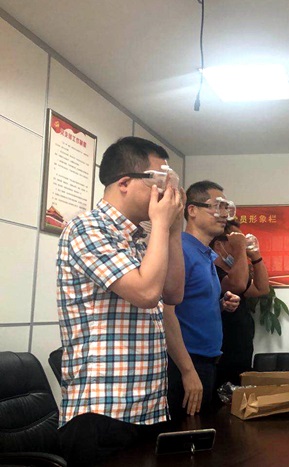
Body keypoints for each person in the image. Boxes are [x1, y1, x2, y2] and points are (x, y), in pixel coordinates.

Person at [56, 136, 185, 466]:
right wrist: (161, 224)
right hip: (102, 411)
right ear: (125, 183)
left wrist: (172, 230)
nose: (166, 192)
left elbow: (173, 293)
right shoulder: (86, 228)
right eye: (159, 181)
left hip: (149, 406)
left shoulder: (142, 239)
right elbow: (146, 293)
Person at [163, 181, 241, 419]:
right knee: (186, 434)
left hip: (207, 362)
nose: (224, 214)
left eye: (226, 207)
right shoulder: (181, 250)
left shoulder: (206, 254)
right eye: (217, 206)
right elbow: (165, 312)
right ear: (192, 210)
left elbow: (189, 304)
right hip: (186, 363)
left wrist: (221, 305)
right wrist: (187, 371)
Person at [211, 220, 270, 387]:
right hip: (223, 355)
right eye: (236, 242)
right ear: (219, 245)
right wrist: (239, 250)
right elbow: (236, 285)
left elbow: (261, 289)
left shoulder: (235, 273)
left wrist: (256, 256)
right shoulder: (213, 272)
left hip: (241, 352)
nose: (241, 247)